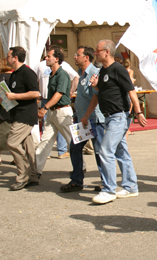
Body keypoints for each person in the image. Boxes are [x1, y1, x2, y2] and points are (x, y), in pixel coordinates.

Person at [86, 40, 147, 204]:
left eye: (97, 50)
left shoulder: (118, 69)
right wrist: (97, 87)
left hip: (118, 116)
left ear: (106, 52)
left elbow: (131, 91)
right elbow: (102, 94)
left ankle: (108, 190)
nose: (95, 54)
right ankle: (130, 186)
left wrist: (138, 111)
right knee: (121, 152)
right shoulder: (102, 71)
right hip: (109, 117)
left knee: (105, 150)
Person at [60, 46, 105, 193]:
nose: (74, 57)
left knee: (99, 151)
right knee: (75, 148)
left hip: (94, 120)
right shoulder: (81, 72)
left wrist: (86, 115)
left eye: (77, 54)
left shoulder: (94, 73)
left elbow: (96, 96)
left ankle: (106, 182)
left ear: (86, 57)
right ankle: (77, 180)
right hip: (83, 119)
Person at [35, 46, 74, 176]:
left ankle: (80, 167)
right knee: (45, 141)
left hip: (62, 112)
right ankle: (36, 170)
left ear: (56, 59)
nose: (46, 57)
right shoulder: (52, 73)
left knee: (71, 141)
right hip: (52, 112)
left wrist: (44, 108)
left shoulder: (62, 74)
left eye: (49, 56)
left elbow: (59, 93)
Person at [5, 46, 40, 190]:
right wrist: (3, 99)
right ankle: (32, 175)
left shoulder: (27, 72)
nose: (6, 58)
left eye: (8, 56)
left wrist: (15, 96)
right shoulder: (14, 74)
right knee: (28, 146)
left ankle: (22, 175)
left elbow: (35, 93)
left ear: (15, 58)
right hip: (17, 113)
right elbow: (13, 94)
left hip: (25, 114)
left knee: (12, 143)